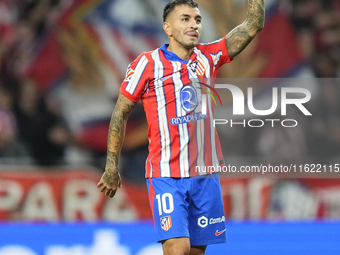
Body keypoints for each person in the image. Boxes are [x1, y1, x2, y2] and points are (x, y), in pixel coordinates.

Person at [97, 0, 265, 254]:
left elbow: (254, 24)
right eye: (185, 18)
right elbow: (120, 111)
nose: (193, 24)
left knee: (196, 252)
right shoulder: (147, 63)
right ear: (168, 27)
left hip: (205, 176)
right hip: (167, 175)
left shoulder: (210, 56)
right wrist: (111, 166)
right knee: (178, 249)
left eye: (197, 19)